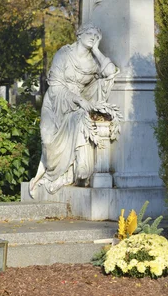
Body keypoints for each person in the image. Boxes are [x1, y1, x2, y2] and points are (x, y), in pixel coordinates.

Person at [29, 24, 118, 197]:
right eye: (89, 33)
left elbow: (110, 72)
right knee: (48, 143)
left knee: (78, 120)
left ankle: (71, 174)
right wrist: (77, 99)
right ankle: (53, 174)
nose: (92, 37)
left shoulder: (94, 61)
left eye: (96, 35)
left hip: (77, 105)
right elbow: (55, 85)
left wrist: (98, 50)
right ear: (79, 34)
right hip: (56, 102)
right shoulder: (64, 54)